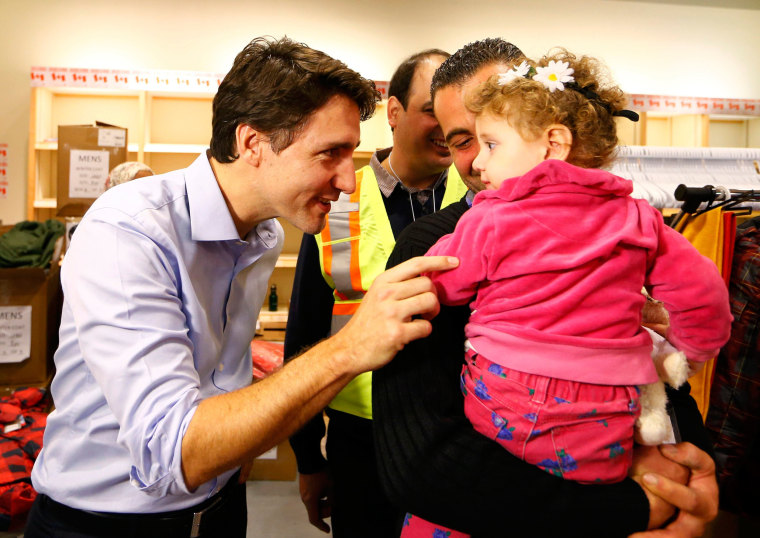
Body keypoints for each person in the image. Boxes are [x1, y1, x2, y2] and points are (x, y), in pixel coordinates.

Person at [26, 36, 458, 538]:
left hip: (220, 510)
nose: (347, 179)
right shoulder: (130, 232)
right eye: (330, 153)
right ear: (252, 143)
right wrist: (350, 347)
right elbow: (175, 450)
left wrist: (240, 449)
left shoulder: (264, 231)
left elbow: (218, 379)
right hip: (105, 525)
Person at [372, 38, 722, 537]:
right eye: (461, 140)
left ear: (548, 133)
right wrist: (638, 508)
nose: (477, 162)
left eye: (491, 137)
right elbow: (423, 464)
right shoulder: (429, 245)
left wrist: (692, 476)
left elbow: (673, 398)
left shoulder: (624, 227)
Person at [286, 48, 467, 537]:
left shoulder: (481, 203)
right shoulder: (336, 200)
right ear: (393, 112)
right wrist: (308, 457)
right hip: (358, 440)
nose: (448, 129)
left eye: (458, 116)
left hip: (460, 434)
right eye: (432, 109)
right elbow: (304, 332)